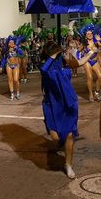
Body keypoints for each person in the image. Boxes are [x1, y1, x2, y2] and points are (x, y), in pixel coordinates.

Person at [40, 41, 97, 179]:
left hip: (68, 103)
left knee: (70, 135)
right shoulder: (46, 67)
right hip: (52, 105)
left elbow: (80, 62)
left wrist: (90, 53)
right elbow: (44, 70)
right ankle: (57, 137)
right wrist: (53, 55)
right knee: (56, 138)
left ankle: (68, 164)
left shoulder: (64, 62)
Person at [77, 24, 101, 102]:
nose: (90, 35)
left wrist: (98, 41)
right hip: (87, 62)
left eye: (91, 33)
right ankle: (90, 94)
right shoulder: (84, 44)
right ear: (85, 36)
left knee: (100, 76)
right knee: (89, 78)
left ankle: (96, 93)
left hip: (94, 61)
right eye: (88, 34)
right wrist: (79, 59)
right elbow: (78, 52)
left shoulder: (96, 41)